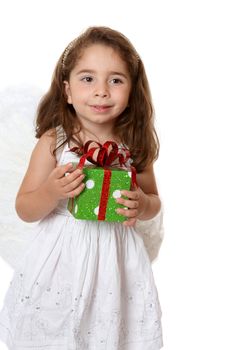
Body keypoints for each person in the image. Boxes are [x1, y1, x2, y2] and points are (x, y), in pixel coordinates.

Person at [0, 26, 163, 349]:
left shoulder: (133, 144)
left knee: (112, 334)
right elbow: (24, 208)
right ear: (67, 91)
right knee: (54, 332)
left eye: (115, 80)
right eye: (87, 79)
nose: (101, 91)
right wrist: (52, 191)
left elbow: (154, 201)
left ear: (132, 90)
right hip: (62, 260)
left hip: (117, 263)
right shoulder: (54, 141)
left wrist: (141, 203)